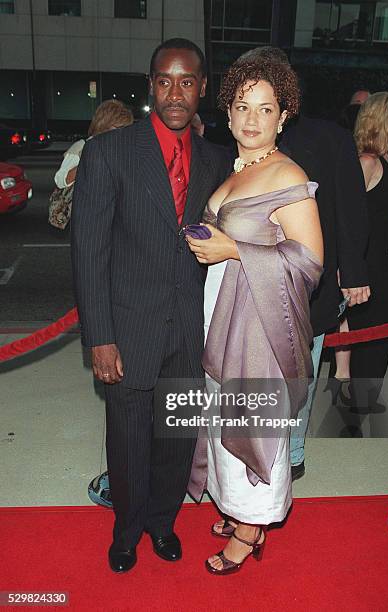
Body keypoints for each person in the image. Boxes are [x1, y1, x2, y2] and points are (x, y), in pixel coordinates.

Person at [71, 38, 231, 573]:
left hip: (190, 330)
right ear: (150, 86)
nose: (175, 93)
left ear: (203, 88)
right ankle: (126, 529)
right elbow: (89, 253)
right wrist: (99, 337)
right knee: (129, 438)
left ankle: (162, 522)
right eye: (165, 80)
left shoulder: (216, 160)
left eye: (187, 81)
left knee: (176, 438)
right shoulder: (109, 152)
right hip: (128, 329)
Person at [186, 53, 324, 574]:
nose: (251, 119)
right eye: (242, 106)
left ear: (283, 115)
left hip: (260, 320)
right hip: (221, 308)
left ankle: (251, 528)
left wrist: (235, 252)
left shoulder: (287, 173)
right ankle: (235, 507)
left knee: (250, 419)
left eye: (265, 109)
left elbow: (309, 260)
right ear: (228, 110)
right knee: (223, 414)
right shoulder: (238, 166)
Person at [233, 47, 370, 480]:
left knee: (296, 380)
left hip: (309, 285)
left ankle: (289, 456)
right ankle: (251, 460)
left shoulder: (328, 137)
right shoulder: (235, 137)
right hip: (246, 287)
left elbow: (350, 208)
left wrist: (355, 272)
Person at [346, 92, 388, 413]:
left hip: (382, 257)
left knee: (381, 329)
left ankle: (365, 397)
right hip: (366, 260)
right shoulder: (368, 161)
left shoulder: (386, 159)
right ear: (382, 119)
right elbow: (348, 215)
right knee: (371, 331)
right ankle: (358, 402)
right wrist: (349, 267)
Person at [54, 99, 133, 189]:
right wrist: (87, 163)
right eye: (119, 127)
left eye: (126, 128)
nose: (122, 133)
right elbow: (60, 180)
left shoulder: (122, 149)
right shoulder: (82, 147)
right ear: (104, 124)